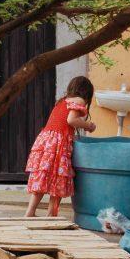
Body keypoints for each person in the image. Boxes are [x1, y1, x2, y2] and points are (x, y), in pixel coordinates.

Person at [25, 76, 96, 217]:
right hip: (58, 144)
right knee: (59, 177)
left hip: (46, 141)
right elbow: (71, 120)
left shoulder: (63, 101)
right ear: (86, 92)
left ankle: (30, 211)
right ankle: (51, 214)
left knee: (43, 177)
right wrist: (88, 125)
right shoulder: (79, 100)